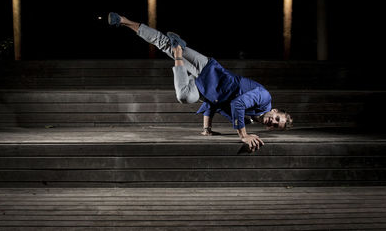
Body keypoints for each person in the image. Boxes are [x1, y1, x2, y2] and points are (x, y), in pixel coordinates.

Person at [108, 12, 293, 152]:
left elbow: (217, 103)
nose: (273, 122)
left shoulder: (250, 119)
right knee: (164, 43)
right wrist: (243, 136)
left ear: (270, 128)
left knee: (184, 96)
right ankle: (124, 21)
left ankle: (178, 51)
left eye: (276, 125)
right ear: (275, 111)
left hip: (205, 88)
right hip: (208, 69)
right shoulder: (263, 97)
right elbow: (237, 102)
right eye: (277, 118)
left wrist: (207, 128)